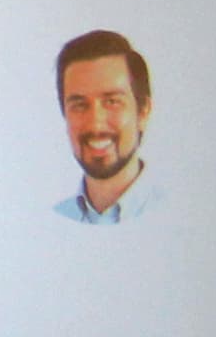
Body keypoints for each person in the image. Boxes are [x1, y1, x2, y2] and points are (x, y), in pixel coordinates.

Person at [51, 28, 159, 223]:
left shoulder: (183, 214)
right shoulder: (51, 221)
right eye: (79, 105)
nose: (96, 124)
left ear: (143, 111)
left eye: (112, 102)